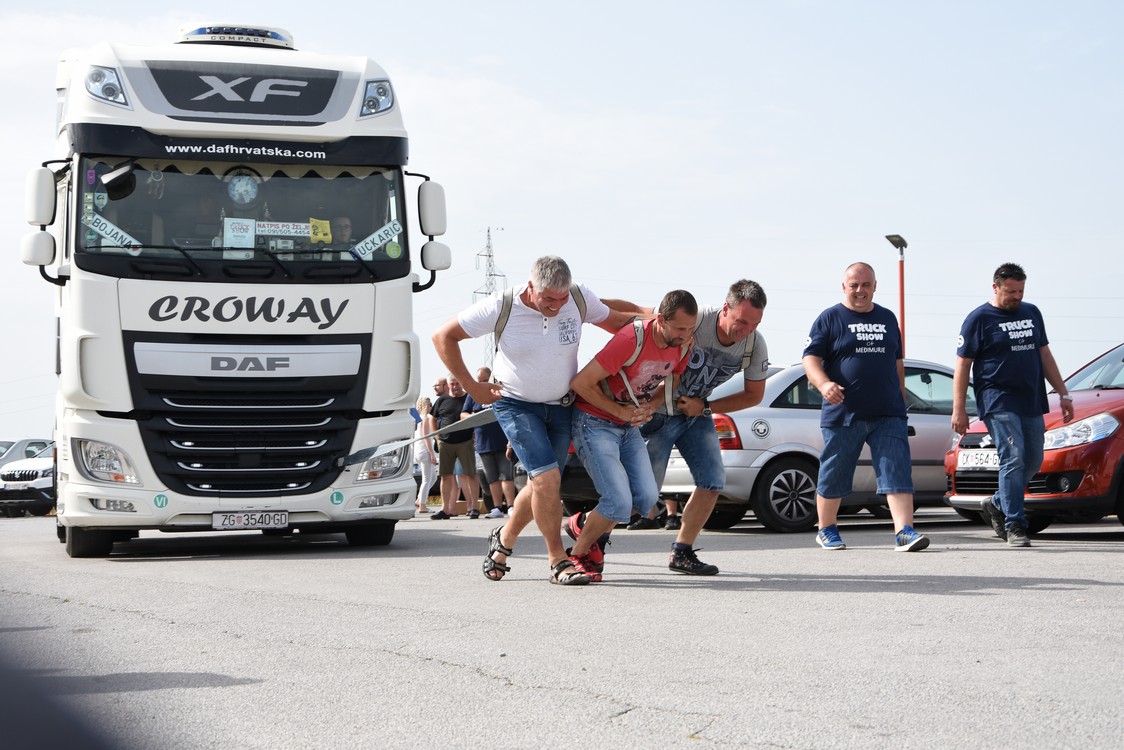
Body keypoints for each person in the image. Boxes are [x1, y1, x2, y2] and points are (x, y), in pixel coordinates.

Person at [432, 255, 635, 585]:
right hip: (516, 405)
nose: (556, 306)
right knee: (547, 481)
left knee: (544, 484)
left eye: (562, 298)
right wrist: (472, 387)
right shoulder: (504, 304)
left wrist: (661, 319)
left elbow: (618, 322)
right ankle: (558, 561)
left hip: (561, 406)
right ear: (531, 287)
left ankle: (503, 541)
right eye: (548, 299)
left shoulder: (579, 298)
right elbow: (443, 337)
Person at [607, 280, 770, 574]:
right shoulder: (695, 320)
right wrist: (585, 307)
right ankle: (590, 540)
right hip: (656, 412)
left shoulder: (754, 344)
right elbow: (636, 314)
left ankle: (682, 551)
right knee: (640, 498)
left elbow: (754, 395)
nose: (746, 330)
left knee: (712, 481)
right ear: (725, 309)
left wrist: (705, 408)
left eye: (754, 324)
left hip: (695, 416)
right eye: (741, 321)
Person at [566, 290, 698, 581]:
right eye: (679, 328)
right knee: (618, 502)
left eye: (691, 328)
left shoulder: (684, 343)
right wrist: (620, 411)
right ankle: (576, 556)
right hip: (593, 421)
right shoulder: (631, 339)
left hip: (627, 426)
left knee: (647, 497)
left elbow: (671, 380)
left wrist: (649, 406)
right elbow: (581, 383)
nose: (686, 335)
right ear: (661, 319)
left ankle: (584, 524)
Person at [801, 262, 929, 552]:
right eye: (854, 285)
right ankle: (827, 528)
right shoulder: (830, 318)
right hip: (844, 412)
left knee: (896, 470)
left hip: (888, 412)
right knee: (834, 471)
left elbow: (897, 363)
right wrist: (824, 385)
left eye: (866, 284)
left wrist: (901, 399)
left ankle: (904, 532)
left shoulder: (887, 318)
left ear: (874, 286)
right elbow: (810, 359)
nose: (860, 290)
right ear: (844, 286)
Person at [951, 262, 1074, 547]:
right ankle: (1015, 524)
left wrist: (1064, 393)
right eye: (1010, 291)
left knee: (1033, 460)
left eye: (1020, 291)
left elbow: (1045, 355)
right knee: (1013, 455)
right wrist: (959, 408)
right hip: (998, 399)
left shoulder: (1031, 313)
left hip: (1031, 399)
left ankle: (996, 503)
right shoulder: (978, 319)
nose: (1016, 296)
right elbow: (962, 365)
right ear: (995, 287)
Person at [462, 366, 516, 519]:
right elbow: (463, 414)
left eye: (485, 380)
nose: (482, 384)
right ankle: (497, 507)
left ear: (491, 378)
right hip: (483, 444)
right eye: (479, 381)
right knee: (492, 478)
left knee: (507, 476)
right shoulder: (473, 394)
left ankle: (511, 506)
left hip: (502, 441)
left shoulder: (499, 391)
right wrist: (474, 417)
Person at [427, 374, 480, 519]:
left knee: (471, 474)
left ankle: (474, 507)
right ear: (448, 385)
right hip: (445, 443)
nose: (455, 386)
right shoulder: (442, 399)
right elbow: (432, 417)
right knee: (446, 476)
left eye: (457, 383)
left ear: (461, 384)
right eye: (452, 383)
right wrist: (436, 436)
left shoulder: (468, 398)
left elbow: (476, 416)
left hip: (465, 442)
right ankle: (445, 509)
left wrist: (475, 437)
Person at [413, 396, 438, 515]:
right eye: (430, 404)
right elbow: (426, 437)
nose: (431, 407)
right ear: (426, 405)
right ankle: (422, 505)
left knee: (433, 478)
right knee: (427, 479)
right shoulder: (426, 419)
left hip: (418, 451)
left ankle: (419, 500)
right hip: (424, 451)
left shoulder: (418, 419)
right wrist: (432, 454)